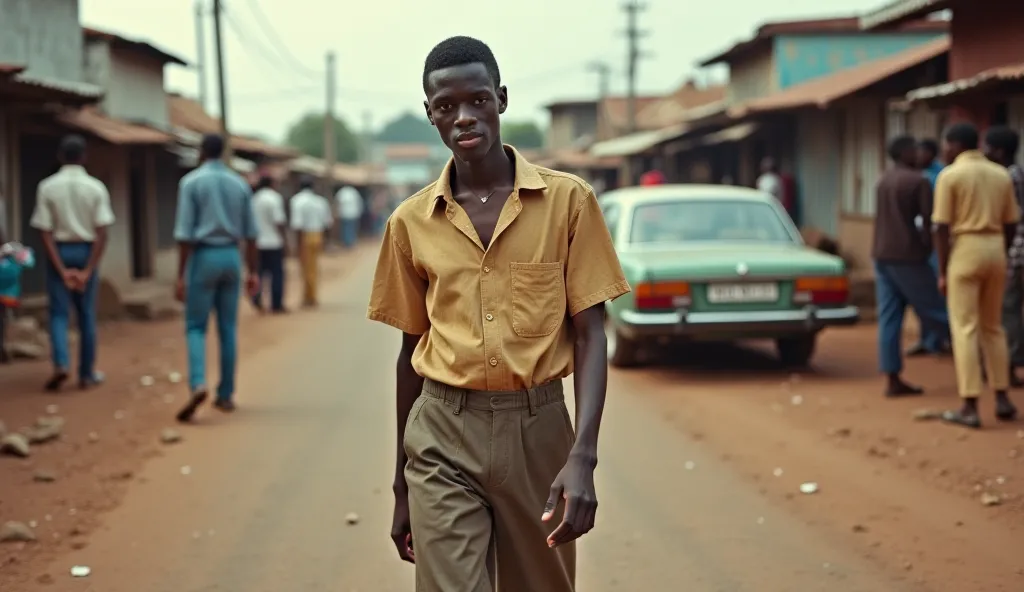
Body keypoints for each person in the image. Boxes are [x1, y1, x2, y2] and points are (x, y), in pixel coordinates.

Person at [366, 36, 629, 591]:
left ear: (501, 99)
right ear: (430, 114)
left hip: (538, 431)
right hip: (441, 432)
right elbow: (409, 353)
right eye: (446, 106)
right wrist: (401, 486)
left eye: (478, 100)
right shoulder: (410, 223)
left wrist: (583, 456)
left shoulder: (568, 203)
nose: (464, 117)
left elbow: (590, 334)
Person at [933, 122, 1019, 428]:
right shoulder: (1000, 174)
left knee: (965, 327)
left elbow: (941, 226)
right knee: (993, 328)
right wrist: (1003, 254)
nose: (943, 150)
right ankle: (1002, 397)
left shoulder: (950, 176)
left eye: (945, 144)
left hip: (966, 249)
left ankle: (969, 404)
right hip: (995, 248)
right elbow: (1012, 223)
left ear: (955, 145)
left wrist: (942, 270)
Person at [172, 134, 259, 422]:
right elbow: (251, 234)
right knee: (227, 328)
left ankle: (198, 383)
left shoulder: (191, 183)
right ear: (223, 152)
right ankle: (225, 394)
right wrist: (253, 271)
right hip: (231, 257)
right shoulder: (239, 183)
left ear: (200, 152)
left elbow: (184, 234)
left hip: (203, 256)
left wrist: (181, 274)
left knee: (196, 327)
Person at [29, 134, 112, 391]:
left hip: (60, 250)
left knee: (58, 313)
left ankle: (61, 364)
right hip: (87, 250)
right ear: (84, 157)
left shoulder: (47, 186)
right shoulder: (96, 187)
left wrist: (61, 269)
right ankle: (86, 374)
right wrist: (88, 270)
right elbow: (103, 231)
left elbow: (44, 231)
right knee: (86, 314)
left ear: (60, 157)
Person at [872, 135, 950, 397]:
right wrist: (930, 250)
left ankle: (892, 378)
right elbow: (929, 223)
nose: (919, 153)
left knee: (889, 317)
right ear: (905, 152)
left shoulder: (883, 179)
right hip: (909, 257)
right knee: (938, 311)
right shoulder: (919, 181)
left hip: (881, 254)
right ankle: (980, 362)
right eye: (915, 149)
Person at [985, 126, 1024, 386]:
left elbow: (1008, 220)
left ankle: (1010, 366)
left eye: (987, 146)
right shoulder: (1017, 173)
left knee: (1007, 309)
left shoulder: (1005, 178)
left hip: (1015, 252)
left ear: (998, 151)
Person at [906, 137, 951, 357]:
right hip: (919, 240)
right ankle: (927, 339)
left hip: (936, 239)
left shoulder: (940, 175)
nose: (917, 157)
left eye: (921, 152)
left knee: (937, 290)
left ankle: (942, 338)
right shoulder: (915, 174)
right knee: (923, 291)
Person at [290, 176, 332, 307]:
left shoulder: (296, 201)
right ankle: (311, 295)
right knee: (313, 267)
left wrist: (296, 244)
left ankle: (308, 297)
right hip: (317, 235)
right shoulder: (320, 201)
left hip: (304, 236)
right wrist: (326, 240)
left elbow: (297, 224)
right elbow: (327, 222)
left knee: (305, 267)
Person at [250, 174, 288, 313]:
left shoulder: (255, 199)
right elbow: (279, 221)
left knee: (259, 273)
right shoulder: (274, 198)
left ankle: (256, 298)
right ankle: (276, 304)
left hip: (257, 243)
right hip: (273, 242)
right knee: (276, 275)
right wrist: (285, 240)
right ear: (271, 183)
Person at [335, 184, 363, 248]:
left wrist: (337, 212)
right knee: (352, 229)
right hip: (354, 214)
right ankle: (351, 242)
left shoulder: (341, 192)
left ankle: (347, 243)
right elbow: (359, 202)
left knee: (345, 229)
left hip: (344, 214)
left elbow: (337, 203)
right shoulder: (354, 192)